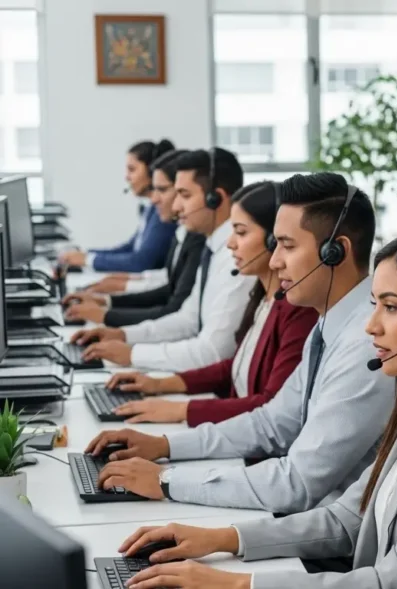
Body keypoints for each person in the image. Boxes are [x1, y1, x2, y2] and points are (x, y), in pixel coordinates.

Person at [116, 229, 397, 589]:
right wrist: (223, 538)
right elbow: (349, 518)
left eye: (392, 307)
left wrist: (236, 584)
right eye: (374, 304)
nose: (371, 326)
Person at [83, 173, 395, 515]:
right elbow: (272, 423)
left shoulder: (366, 345)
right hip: (301, 520)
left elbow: (297, 483)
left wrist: (166, 480)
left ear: (335, 252)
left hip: (327, 533)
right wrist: (165, 445)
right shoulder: (329, 325)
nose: (274, 260)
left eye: (288, 246)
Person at [101, 181, 319, 426]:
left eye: (241, 232)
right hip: (235, 429)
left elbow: (270, 406)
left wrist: (181, 410)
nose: (230, 243)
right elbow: (235, 367)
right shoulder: (261, 295)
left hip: (251, 438)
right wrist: (160, 384)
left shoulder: (297, 310)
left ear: (273, 241)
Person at [70, 148, 256, 372]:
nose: (176, 206)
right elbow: (187, 320)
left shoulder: (237, 258)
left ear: (215, 199)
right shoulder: (213, 248)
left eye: (185, 195)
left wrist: (133, 354)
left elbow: (213, 352)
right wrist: (123, 335)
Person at [63, 149, 207, 326]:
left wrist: (109, 313)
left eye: (132, 169)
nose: (154, 199)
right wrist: (109, 297)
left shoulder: (191, 234)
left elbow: (142, 262)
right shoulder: (175, 225)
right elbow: (135, 251)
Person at [58, 139, 177, 272]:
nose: (127, 177)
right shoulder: (151, 209)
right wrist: (85, 255)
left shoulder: (164, 212)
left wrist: (88, 259)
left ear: (151, 172)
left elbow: (141, 261)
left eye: (132, 170)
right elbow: (131, 248)